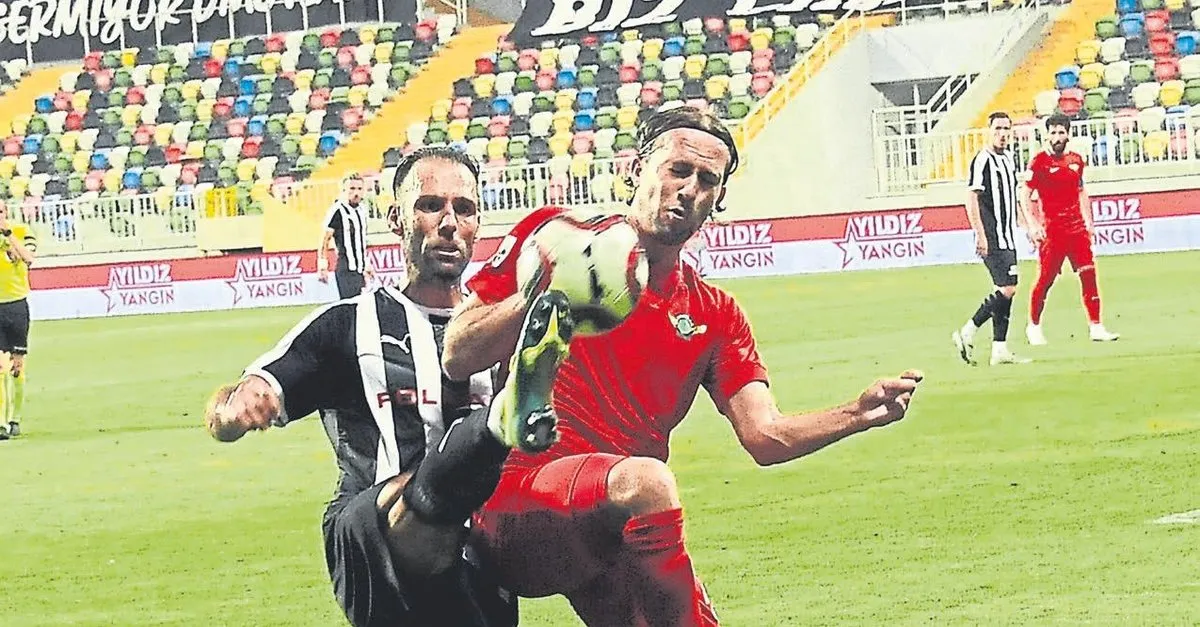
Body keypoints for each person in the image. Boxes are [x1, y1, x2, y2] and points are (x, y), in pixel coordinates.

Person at [440, 106, 925, 626]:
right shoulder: (557, 237)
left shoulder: (715, 314)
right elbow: (458, 353)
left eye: (707, 180)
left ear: (718, 198)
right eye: (678, 170)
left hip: (618, 521)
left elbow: (765, 437)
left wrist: (857, 413)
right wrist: (542, 294)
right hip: (518, 506)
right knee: (648, 483)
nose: (689, 189)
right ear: (637, 170)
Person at [205, 147, 574, 627]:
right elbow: (229, 409)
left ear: (478, 225)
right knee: (424, 490)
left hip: (473, 551)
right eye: (430, 206)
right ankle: (497, 421)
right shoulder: (346, 325)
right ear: (396, 219)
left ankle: (500, 427)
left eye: (464, 209)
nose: (449, 223)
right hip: (372, 536)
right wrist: (234, 408)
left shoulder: (503, 331)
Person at [1022, 113, 1120, 344]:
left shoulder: (1076, 160)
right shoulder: (1039, 162)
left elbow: (1081, 190)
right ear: (1047, 135)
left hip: (1077, 230)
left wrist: (1089, 221)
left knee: (1089, 275)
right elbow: (1025, 194)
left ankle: (1096, 327)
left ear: (1068, 134)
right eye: (1053, 133)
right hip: (1053, 232)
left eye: (1061, 132)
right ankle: (1033, 326)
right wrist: (1033, 224)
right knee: (1045, 280)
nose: (1057, 137)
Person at [952, 112, 1030, 366]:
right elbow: (972, 197)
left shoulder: (1009, 159)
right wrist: (980, 233)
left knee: (1006, 290)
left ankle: (999, 349)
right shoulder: (982, 160)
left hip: (1008, 236)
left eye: (1007, 129)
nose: (1002, 134)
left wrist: (1026, 225)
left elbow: (1012, 196)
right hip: (992, 235)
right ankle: (968, 330)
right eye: (998, 129)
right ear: (989, 131)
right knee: (1008, 288)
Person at [0, 204, 36, 441]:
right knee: (0, 367)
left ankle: (15, 418)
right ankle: (1, 423)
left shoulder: (22, 231)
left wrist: (7, 234)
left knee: (16, 368)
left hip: (16, 306)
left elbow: (28, 258)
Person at [319, 173, 375, 299]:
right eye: (352, 189)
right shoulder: (338, 211)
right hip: (346, 269)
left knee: (363, 306)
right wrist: (322, 265)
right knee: (351, 306)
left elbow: (361, 241)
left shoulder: (362, 211)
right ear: (344, 190)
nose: (356, 193)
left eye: (359, 189)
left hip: (360, 269)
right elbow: (325, 239)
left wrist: (367, 264)